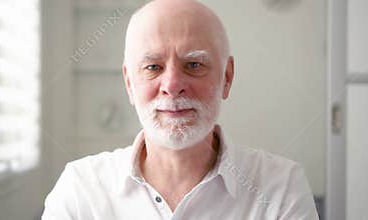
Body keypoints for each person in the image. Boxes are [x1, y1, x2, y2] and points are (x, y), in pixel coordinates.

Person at [42, 0, 319, 219]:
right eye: (153, 67)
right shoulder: (80, 189)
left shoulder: (281, 188)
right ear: (129, 83)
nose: (172, 86)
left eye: (194, 65)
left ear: (227, 77)